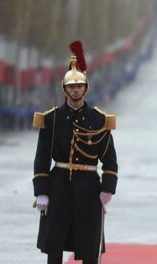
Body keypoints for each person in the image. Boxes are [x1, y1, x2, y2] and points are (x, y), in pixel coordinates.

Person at [32, 41, 118, 264]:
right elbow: (41, 157)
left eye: (80, 86)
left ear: (86, 88)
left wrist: (107, 188)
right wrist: (41, 191)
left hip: (89, 187)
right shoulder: (52, 119)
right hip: (59, 185)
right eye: (71, 86)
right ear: (65, 89)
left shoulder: (99, 119)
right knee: (55, 244)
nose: (76, 90)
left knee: (89, 246)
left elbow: (110, 159)